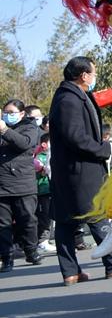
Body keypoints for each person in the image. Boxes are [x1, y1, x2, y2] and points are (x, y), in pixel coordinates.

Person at [48, 56, 112, 284]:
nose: (94, 78)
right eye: (93, 74)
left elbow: (98, 98)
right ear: (83, 76)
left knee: (65, 223)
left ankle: (70, 271)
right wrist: (103, 149)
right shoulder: (68, 101)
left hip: (69, 172)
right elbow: (75, 137)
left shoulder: (75, 95)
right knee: (97, 215)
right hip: (79, 172)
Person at [1, 99, 42, 272]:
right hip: (2, 184)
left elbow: (24, 144)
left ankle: (31, 250)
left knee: (28, 220)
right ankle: (6, 258)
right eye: (5, 112)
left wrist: (4, 129)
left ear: (22, 113)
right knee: (2, 224)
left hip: (23, 183)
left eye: (12, 112)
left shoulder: (30, 127)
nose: (8, 116)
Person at [34, 133, 55, 253]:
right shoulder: (39, 157)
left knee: (49, 216)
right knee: (44, 217)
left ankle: (45, 239)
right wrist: (42, 169)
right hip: (41, 192)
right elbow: (38, 170)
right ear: (44, 144)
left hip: (49, 191)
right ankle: (42, 241)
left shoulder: (51, 155)